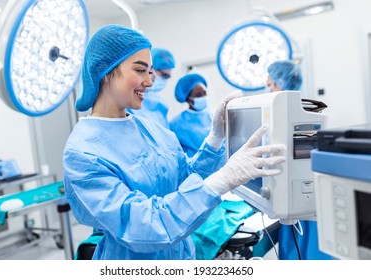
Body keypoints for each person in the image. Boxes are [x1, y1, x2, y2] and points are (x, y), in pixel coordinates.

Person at [63, 24, 286, 260]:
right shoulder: (83, 153)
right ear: (105, 72)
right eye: (140, 70)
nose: (149, 82)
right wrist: (222, 180)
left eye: (150, 72)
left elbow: (184, 178)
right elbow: (145, 226)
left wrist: (215, 139)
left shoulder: (149, 128)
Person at [266, 59, 332, 260]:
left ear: (281, 83)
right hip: (297, 197)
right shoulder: (287, 112)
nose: (269, 89)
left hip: (305, 198)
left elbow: (303, 157)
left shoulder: (306, 112)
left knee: (307, 252)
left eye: (270, 85)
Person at [128, 47, 175, 128]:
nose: (150, 82)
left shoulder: (160, 103)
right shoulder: (129, 98)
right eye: (163, 75)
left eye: (167, 77)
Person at [169, 73, 213, 157]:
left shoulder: (213, 118)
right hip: (193, 169)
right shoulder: (176, 124)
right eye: (199, 95)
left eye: (205, 93)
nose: (204, 97)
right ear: (188, 99)